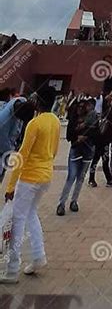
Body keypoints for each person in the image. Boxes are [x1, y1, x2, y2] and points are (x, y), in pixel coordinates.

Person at [0, 87, 60, 283]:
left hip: (29, 177)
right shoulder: (55, 121)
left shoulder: (34, 124)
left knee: (17, 221)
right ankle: (38, 256)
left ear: (37, 101)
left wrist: (10, 186)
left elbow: (22, 156)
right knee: (31, 214)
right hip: (46, 176)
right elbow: (56, 150)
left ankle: (11, 270)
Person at [57, 97, 98, 215]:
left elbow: (97, 134)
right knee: (71, 177)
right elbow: (69, 135)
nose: (81, 109)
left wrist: (85, 136)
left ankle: (74, 201)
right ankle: (62, 203)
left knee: (80, 178)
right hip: (76, 151)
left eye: (83, 107)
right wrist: (77, 137)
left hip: (88, 151)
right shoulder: (74, 120)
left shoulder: (94, 119)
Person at [0, 95, 35, 177]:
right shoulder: (3, 121)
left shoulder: (21, 101)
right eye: (21, 120)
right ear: (17, 115)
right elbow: (3, 144)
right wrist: (13, 149)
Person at [88, 91, 112, 187]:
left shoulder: (108, 118)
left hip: (104, 142)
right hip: (99, 142)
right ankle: (92, 179)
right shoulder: (97, 118)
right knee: (98, 160)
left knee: (104, 160)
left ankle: (108, 179)